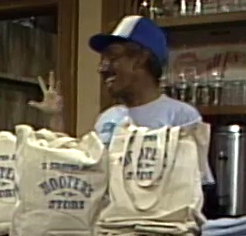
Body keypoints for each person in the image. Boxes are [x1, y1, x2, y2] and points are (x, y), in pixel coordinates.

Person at [30, 15, 215, 186]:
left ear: (140, 59)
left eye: (113, 57)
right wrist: (56, 116)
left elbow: (197, 186)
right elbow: (82, 174)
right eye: (103, 60)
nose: (102, 68)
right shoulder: (108, 118)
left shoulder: (181, 116)